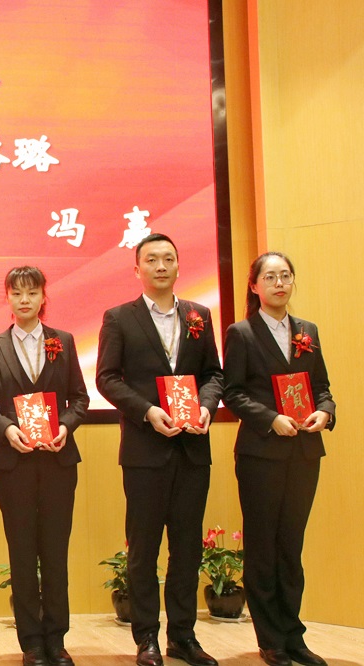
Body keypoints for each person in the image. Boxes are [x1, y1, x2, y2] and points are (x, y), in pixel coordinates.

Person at [96, 233, 223, 666]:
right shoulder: (119, 318)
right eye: (152, 259)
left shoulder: (199, 315)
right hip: (145, 451)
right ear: (137, 269)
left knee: (187, 549)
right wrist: (148, 412)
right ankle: (146, 637)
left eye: (169, 258)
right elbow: (107, 378)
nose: (161, 265)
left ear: (179, 266)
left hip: (192, 449)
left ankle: (183, 637)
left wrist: (206, 406)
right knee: (144, 549)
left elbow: (214, 374)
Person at [223, 253, 334, 666]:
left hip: (304, 452)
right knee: (263, 546)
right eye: (270, 277)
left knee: (291, 545)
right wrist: (271, 419)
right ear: (254, 286)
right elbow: (232, 393)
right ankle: (270, 639)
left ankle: (293, 636)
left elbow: (322, 386)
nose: (279, 283)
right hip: (261, 453)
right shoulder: (241, 333)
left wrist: (325, 412)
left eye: (285, 275)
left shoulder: (308, 330)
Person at [0, 266, 89, 666]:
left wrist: (65, 426)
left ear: (44, 296)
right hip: (15, 463)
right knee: (22, 552)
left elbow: (80, 398)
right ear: (7, 298)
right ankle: (31, 642)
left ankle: (56, 639)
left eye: (32, 292)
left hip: (58, 460)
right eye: (16, 292)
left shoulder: (64, 341)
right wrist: (7, 430)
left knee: (56, 552)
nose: (24, 299)